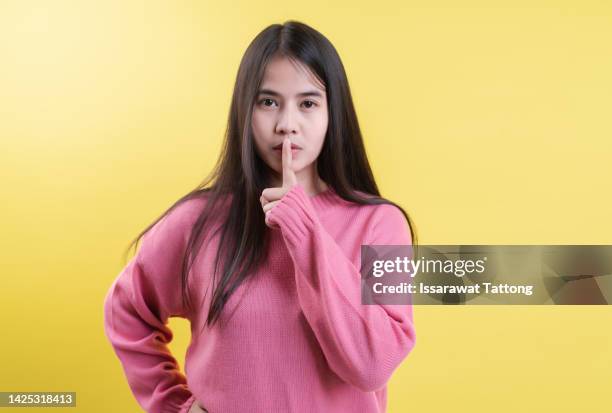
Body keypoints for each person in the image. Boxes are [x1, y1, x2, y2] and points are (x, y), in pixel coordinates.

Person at [103, 20, 417, 413]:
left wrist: (303, 229)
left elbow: (372, 366)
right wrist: (172, 405)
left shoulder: (383, 225)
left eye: (308, 103)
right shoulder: (199, 221)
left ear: (333, 113)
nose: (287, 124)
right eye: (268, 102)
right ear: (245, 112)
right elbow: (126, 309)